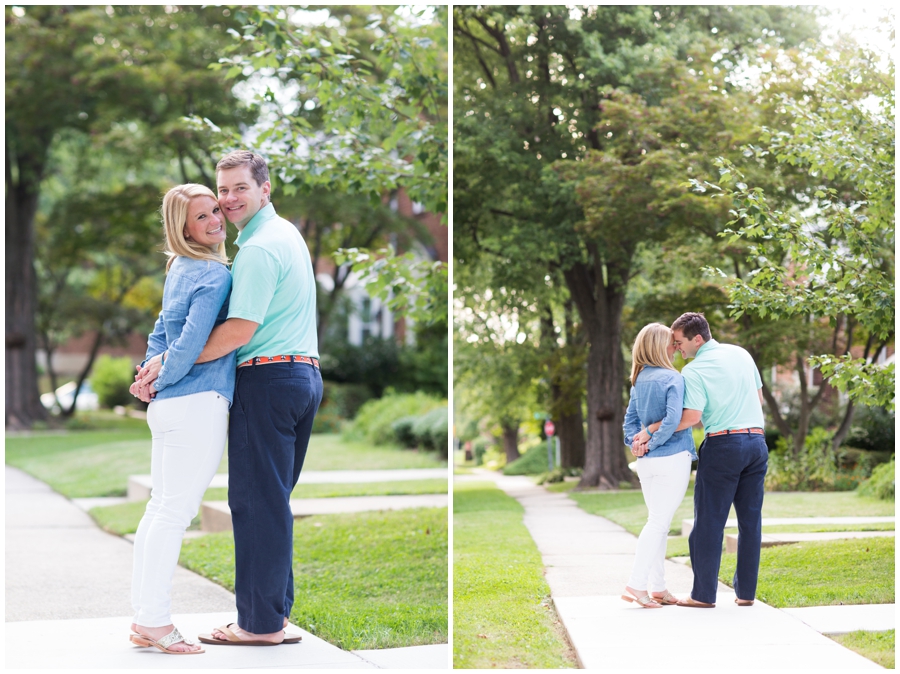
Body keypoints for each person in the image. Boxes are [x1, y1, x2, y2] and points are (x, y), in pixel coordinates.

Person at [136, 151, 322, 645]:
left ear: (265, 188)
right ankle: (274, 616)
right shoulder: (285, 235)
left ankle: (260, 625)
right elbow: (171, 325)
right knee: (270, 500)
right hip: (300, 376)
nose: (228, 200)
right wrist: (160, 365)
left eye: (240, 188)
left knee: (255, 503)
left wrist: (163, 367)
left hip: (267, 380)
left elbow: (238, 330)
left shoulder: (257, 250)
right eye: (222, 191)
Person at [128, 184, 235, 654]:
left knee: (159, 510)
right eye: (202, 217)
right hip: (197, 403)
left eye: (215, 210)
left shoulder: (179, 268)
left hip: (168, 407)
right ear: (183, 228)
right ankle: (154, 622)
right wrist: (162, 375)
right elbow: (190, 342)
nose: (216, 220)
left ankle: (143, 619)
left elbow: (159, 331)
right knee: (173, 514)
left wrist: (149, 378)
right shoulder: (213, 273)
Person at [633, 312, 766, 608]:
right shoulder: (741, 354)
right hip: (757, 442)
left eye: (679, 342)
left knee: (708, 522)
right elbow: (758, 399)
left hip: (723, 445)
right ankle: (745, 594)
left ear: (697, 339)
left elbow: (691, 418)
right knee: (750, 521)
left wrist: (651, 429)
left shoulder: (693, 371)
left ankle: (703, 595)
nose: (677, 349)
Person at [620, 323, 698, 609]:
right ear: (659, 346)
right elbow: (673, 420)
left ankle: (659, 588)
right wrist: (649, 442)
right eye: (672, 342)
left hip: (646, 464)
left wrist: (636, 444)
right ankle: (636, 585)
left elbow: (629, 423)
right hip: (671, 458)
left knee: (659, 525)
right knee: (658, 523)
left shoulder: (639, 380)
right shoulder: (673, 379)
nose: (676, 346)